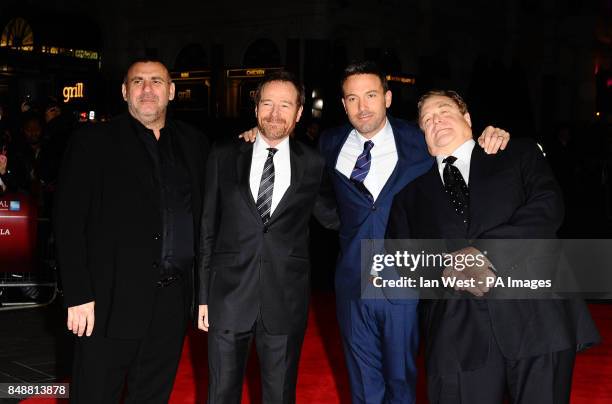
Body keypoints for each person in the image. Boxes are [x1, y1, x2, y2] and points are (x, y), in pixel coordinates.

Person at [240, 61, 509, 403]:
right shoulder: (330, 142)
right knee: (362, 387)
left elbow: (459, 152)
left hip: (405, 284)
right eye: (352, 98)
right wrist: (256, 136)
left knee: (402, 383)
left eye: (370, 95)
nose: (362, 106)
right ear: (343, 104)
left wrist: (492, 136)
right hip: (352, 283)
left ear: (388, 98)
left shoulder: (418, 140)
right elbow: (315, 189)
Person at [386, 90, 600, 403]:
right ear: (424, 138)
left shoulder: (519, 154)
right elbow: (403, 255)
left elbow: (548, 208)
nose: (436, 120)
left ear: (468, 119)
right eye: (427, 120)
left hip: (538, 320)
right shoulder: (409, 197)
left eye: (444, 110)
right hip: (457, 336)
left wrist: (485, 252)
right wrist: (449, 269)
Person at [54, 58, 209, 403]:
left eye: (156, 81)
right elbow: (67, 223)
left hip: (171, 299)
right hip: (108, 301)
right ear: (125, 92)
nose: (148, 89)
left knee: (153, 395)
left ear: (171, 91)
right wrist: (78, 294)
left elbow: (212, 206)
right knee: (95, 394)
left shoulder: (194, 143)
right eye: (138, 81)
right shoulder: (93, 142)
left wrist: (254, 135)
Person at [197, 71, 338, 403]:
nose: (275, 114)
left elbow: (335, 217)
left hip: (285, 300)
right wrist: (203, 296)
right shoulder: (224, 154)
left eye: (285, 105)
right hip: (228, 297)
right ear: (256, 107)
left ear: (300, 112)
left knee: (279, 395)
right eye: (267, 103)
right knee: (220, 394)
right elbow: (207, 228)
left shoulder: (313, 163)